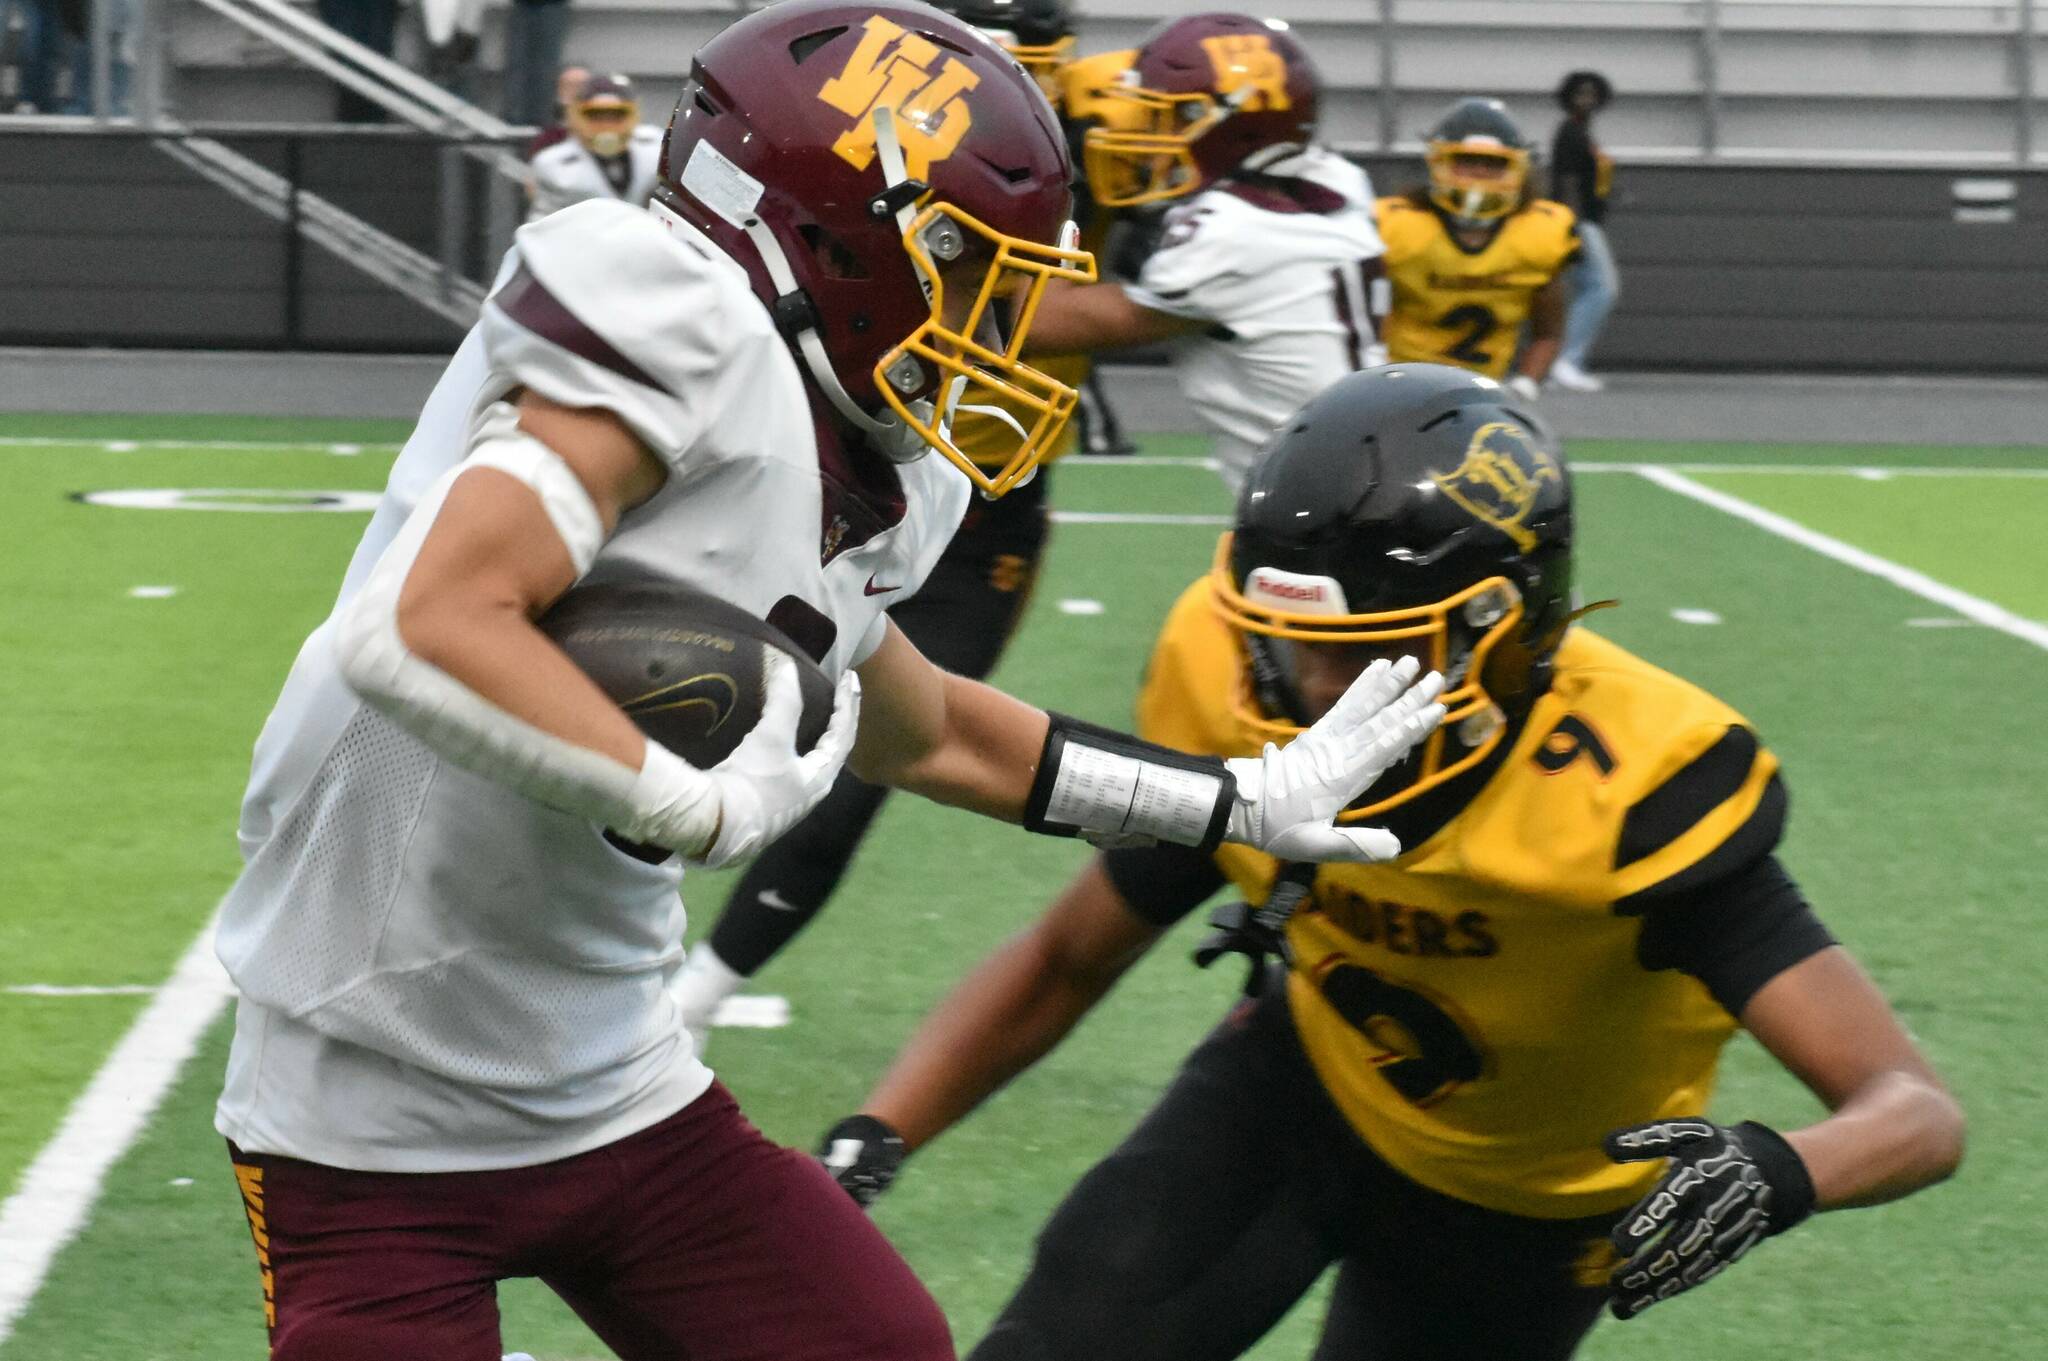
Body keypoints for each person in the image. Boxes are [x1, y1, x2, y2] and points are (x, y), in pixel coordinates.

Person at [209, 3, 1444, 1356]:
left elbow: (939, 737)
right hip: (362, 1113)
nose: (1004, 320)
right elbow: (427, 624)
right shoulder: (671, 309)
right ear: (826, 228)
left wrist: (1235, 800)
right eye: (971, 267)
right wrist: (684, 802)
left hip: (614, 1083)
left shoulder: (880, 462)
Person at [819, 363, 1967, 1359]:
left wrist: (1783, 1167)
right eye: (1288, 648)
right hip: (1297, 1091)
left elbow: (1911, 1105)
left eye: (1359, 657)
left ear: (1499, 634)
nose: (1308, 698)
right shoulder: (1230, 686)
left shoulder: (1633, 791)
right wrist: (876, 1134)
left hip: (1524, 1212)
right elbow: (1069, 953)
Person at [668, 0, 1147, 1056]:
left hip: (958, 473)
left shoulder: (1111, 126)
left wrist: (1233, 801)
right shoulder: (658, 345)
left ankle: (686, 997)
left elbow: (932, 736)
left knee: (858, 750)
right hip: (849, 433)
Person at [1024, 12, 1389, 493]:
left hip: (1319, 512)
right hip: (1361, 468)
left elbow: (1036, 324)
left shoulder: (1230, 237)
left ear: (1236, 127)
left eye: (1171, 117)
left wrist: (1061, 197)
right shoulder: (1334, 177)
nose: (1148, 133)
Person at [1378, 98, 1575, 400]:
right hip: (1397, 385)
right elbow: (1369, 320)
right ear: (1437, 162)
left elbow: (1548, 333)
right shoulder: (1397, 227)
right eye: (1467, 161)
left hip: (1483, 393)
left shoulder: (1541, 233)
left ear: (1519, 168)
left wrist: (1526, 384)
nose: (1480, 173)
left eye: (1494, 163)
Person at [1550, 70, 1619, 392]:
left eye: (1592, 95)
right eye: (1580, 94)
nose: (1587, 100)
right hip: (1578, 223)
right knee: (1601, 288)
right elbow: (1566, 182)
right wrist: (1572, 228)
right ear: (1568, 98)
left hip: (1587, 220)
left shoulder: (1583, 133)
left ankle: (1564, 361)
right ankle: (1566, 361)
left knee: (1589, 289)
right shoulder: (1570, 133)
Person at [524, 71, 661, 222]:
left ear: (634, 115)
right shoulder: (552, 164)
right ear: (575, 116)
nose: (606, 125)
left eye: (616, 115)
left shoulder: (656, 148)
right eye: (596, 116)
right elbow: (542, 227)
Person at [501, 0, 570, 128]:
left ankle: (534, 121)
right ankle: (518, 119)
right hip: (524, 6)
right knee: (521, 65)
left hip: (551, 6)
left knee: (542, 66)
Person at [523, 61, 588, 158]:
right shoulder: (548, 139)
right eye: (570, 85)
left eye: (582, 85)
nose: (577, 92)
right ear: (560, 91)